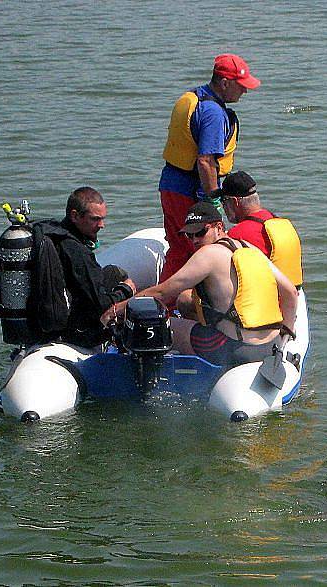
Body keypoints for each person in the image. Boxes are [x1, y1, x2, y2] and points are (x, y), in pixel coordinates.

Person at [102, 202, 297, 368]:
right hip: (269, 346)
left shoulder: (209, 254)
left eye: (200, 233)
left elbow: (163, 292)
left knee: (165, 325)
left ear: (219, 227)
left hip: (233, 350)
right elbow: (290, 292)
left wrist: (117, 309)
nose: (195, 240)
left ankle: (143, 376)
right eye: (189, 235)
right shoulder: (250, 248)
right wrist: (285, 335)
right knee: (185, 301)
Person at [158, 53, 261, 285]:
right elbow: (205, 161)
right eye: (241, 86)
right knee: (200, 253)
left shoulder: (196, 96)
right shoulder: (213, 113)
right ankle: (183, 307)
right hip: (191, 194)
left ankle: (166, 306)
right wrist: (213, 199)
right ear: (225, 83)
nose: (244, 91)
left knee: (179, 248)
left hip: (171, 187)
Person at [57, 187, 136, 349]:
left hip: (60, 315)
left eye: (102, 219)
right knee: (126, 289)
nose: (102, 225)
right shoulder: (76, 251)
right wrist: (125, 290)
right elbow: (101, 305)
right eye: (95, 219)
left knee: (113, 272)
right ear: (75, 216)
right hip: (77, 333)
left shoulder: (57, 235)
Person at [216, 171, 304, 288]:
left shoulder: (238, 234)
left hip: (273, 302)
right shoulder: (280, 222)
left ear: (234, 202)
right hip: (298, 298)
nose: (223, 207)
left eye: (223, 202)